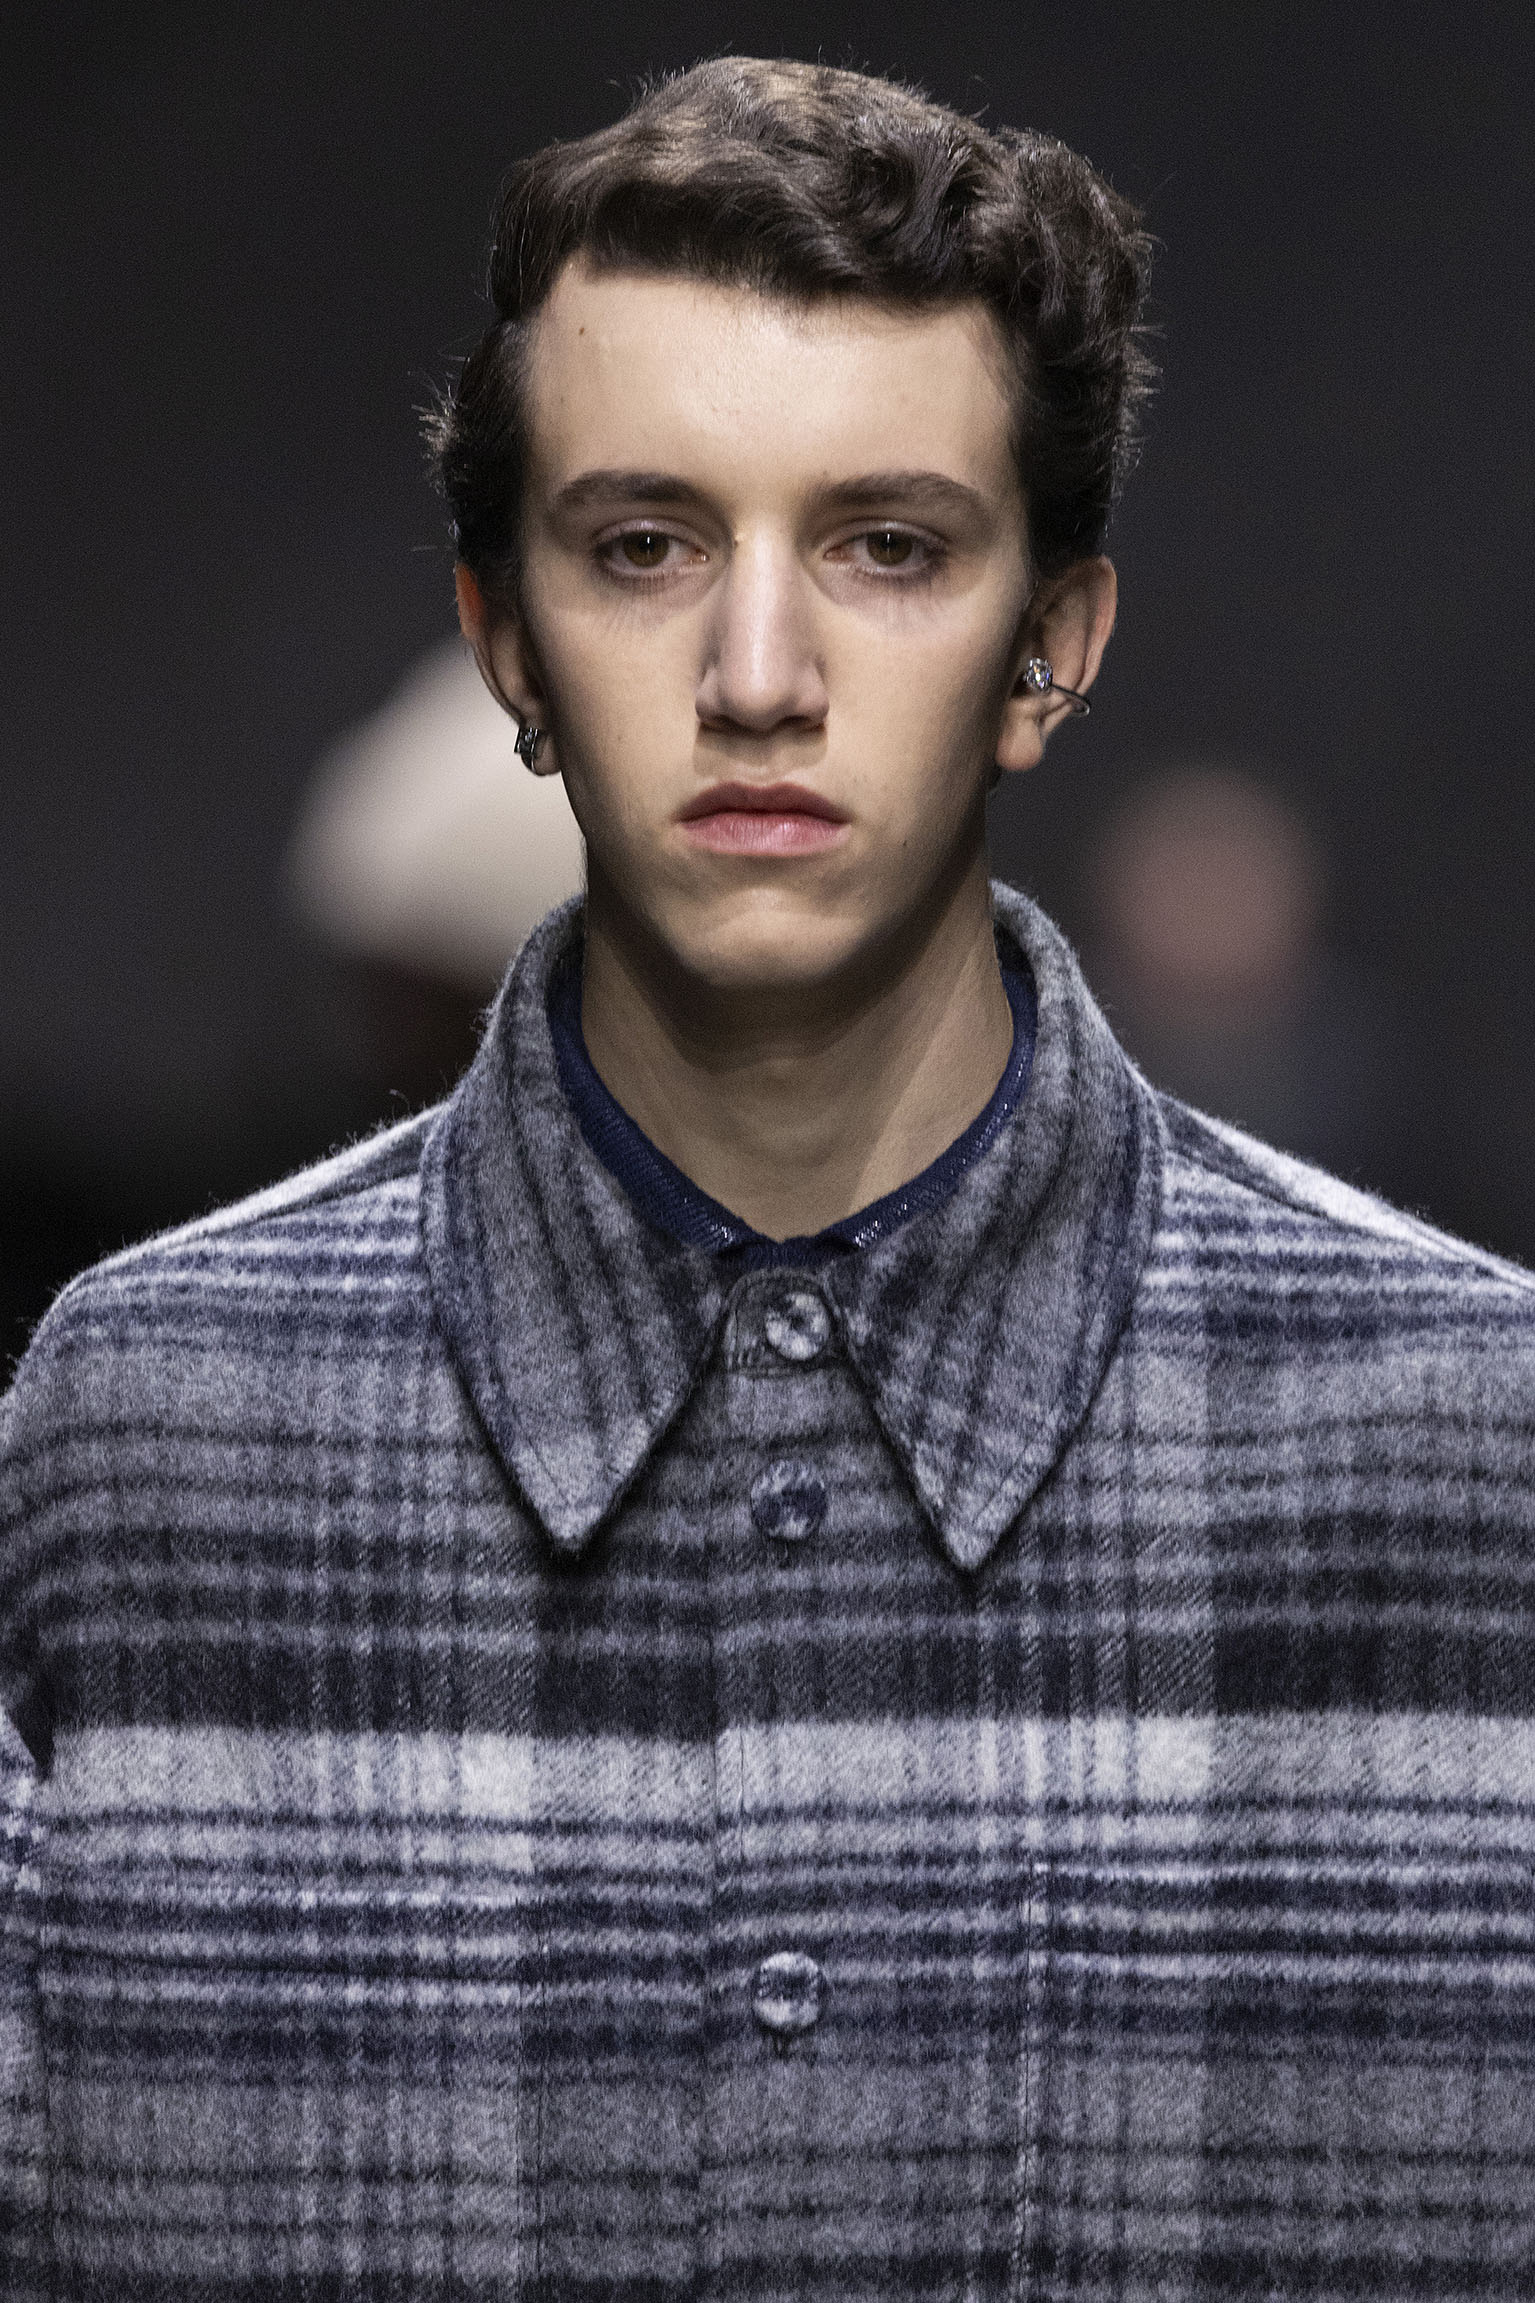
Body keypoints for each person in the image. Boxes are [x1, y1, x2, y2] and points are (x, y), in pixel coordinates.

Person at [3, 54, 1534, 2302]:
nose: (755, 674)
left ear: (1052, 649)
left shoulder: (1468, 1460)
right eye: (643, 546)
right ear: (505, 641)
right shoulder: (150, 1442)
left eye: (888, 546)